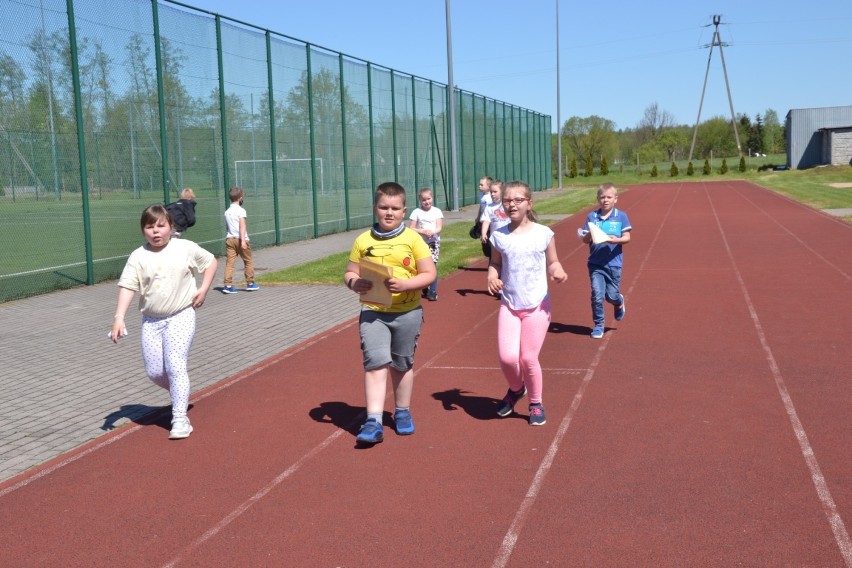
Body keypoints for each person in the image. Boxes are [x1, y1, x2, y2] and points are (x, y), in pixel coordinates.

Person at [111, 204, 218, 440]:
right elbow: (128, 286)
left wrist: (204, 288)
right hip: (151, 320)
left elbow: (210, 262)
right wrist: (119, 317)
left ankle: (180, 418)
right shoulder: (138, 256)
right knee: (155, 372)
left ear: (171, 227)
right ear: (143, 230)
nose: (156, 232)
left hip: (181, 315)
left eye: (161, 226)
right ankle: (181, 392)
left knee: (175, 365)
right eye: (150, 227)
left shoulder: (184, 248)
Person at [343, 182, 437, 444]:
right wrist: (354, 282)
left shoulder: (412, 239)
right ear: (375, 208)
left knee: (401, 364)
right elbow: (349, 272)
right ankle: (373, 420)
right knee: (374, 364)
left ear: (404, 210)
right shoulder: (363, 240)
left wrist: (406, 284)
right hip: (373, 313)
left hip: (407, 313)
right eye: (384, 207)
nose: (389, 212)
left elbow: (430, 274)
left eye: (395, 208)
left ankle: (403, 411)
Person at [487, 180, 567, 426]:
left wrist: (558, 270)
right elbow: (496, 263)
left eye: (518, 200)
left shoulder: (544, 233)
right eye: (507, 201)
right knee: (508, 358)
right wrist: (491, 276)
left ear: (529, 203)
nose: (512, 205)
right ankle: (516, 389)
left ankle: (535, 402)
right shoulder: (498, 236)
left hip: (537, 305)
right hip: (510, 304)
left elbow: (552, 262)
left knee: (528, 358)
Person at [580, 183, 632, 339]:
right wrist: (589, 234)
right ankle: (598, 325)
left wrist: (616, 240)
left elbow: (627, 238)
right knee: (597, 295)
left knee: (611, 295)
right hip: (595, 264)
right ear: (598, 199)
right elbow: (584, 239)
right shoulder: (592, 217)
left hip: (614, 263)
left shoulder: (621, 216)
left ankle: (618, 302)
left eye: (609, 197)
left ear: (615, 199)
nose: (605, 200)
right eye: (602, 197)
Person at [408, 187, 443, 301]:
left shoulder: (437, 211)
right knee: (420, 267)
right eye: (424, 200)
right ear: (420, 200)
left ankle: (432, 291)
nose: (427, 202)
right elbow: (411, 228)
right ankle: (423, 286)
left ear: (432, 198)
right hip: (420, 244)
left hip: (433, 242)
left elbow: (439, 227)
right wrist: (423, 231)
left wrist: (432, 232)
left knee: (432, 266)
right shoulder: (416, 212)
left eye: (428, 199)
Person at [222, 186, 259, 294]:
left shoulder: (227, 211)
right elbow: (242, 226)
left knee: (230, 263)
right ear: (240, 198)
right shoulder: (241, 211)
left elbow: (228, 227)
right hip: (240, 239)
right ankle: (250, 283)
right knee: (248, 261)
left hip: (230, 239)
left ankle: (227, 285)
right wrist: (243, 241)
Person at [480, 179, 510, 259]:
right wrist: (483, 233)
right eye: (491, 192)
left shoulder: (508, 205)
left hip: (509, 237)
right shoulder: (489, 207)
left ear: (503, 191)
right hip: (495, 239)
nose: (492, 194)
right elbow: (486, 221)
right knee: (494, 260)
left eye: (495, 192)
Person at [470, 176, 493, 243]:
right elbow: (481, 206)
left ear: (489, 187)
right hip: (483, 219)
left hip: (489, 220)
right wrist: (478, 217)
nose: (479, 186)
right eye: (479, 184)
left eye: (482, 185)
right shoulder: (482, 195)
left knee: (489, 236)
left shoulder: (490, 197)